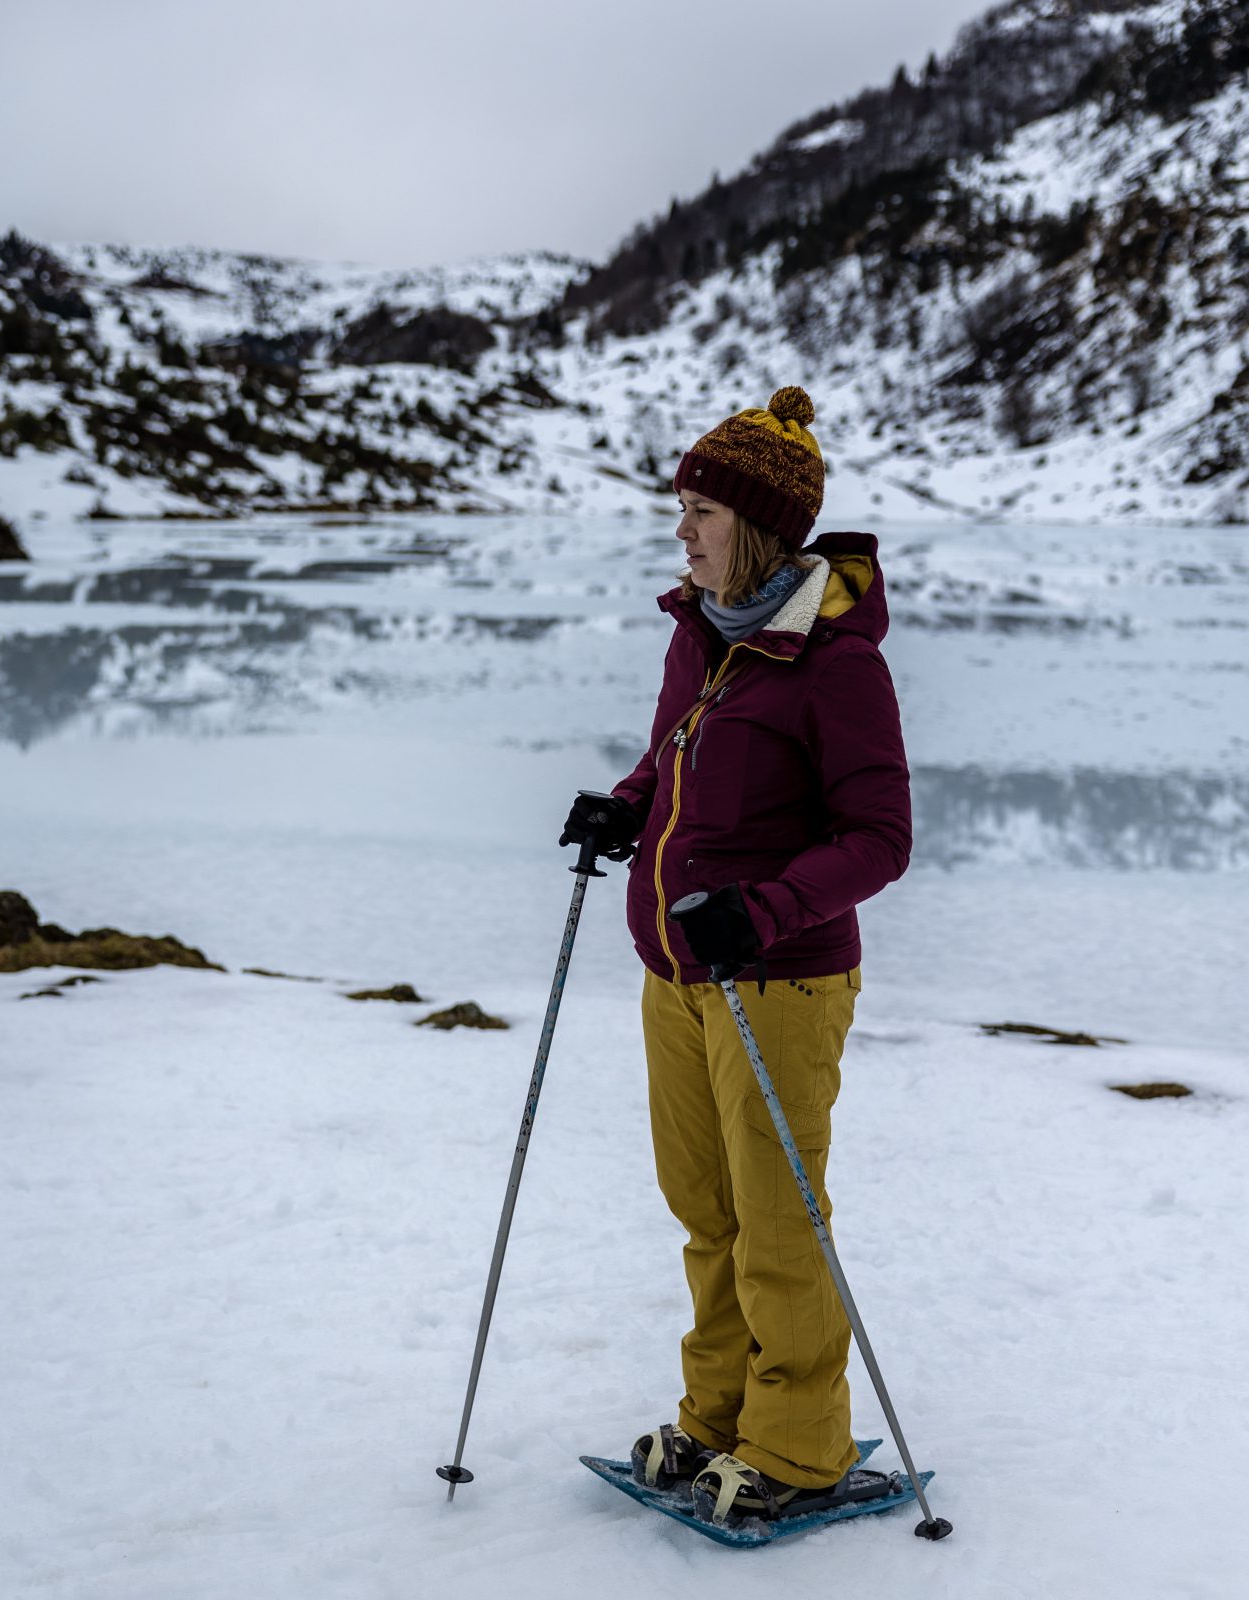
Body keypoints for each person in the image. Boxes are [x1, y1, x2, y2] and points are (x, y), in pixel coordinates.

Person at [560, 385, 912, 1527]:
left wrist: (758, 913)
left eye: (700, 510)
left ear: (756, 527)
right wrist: (624, 806)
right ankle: (718, 1416)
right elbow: (672, 759)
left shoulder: (833, 662)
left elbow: (878, 838)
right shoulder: (699, 633)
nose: (681, 529)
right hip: (677, 974)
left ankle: (798, 1446)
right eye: (681, 507)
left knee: (775, 1221)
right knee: (705, 1211)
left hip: (778, 977)